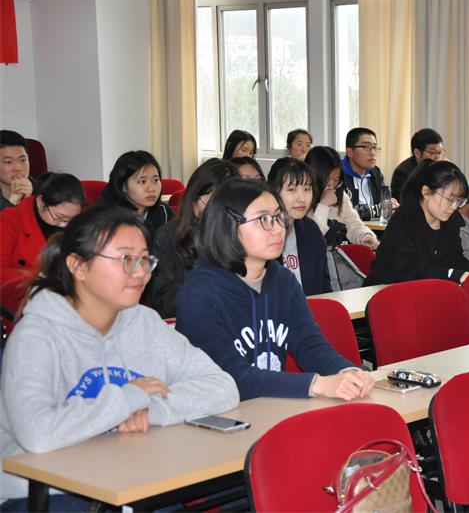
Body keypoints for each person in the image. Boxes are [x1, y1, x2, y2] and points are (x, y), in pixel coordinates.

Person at [0, 205, 239, 509]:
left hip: (130, 477)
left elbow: (222, 386)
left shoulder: (144, 322)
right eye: (126, 259)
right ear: (78, 265)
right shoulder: (36, 335)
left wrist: (150, 410)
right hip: (46, 493)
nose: (140, 272)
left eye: (144, 260)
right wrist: (128, 398)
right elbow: (38, 434)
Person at [176, 177, 373, 400]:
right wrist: (316, 384)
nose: (278, 229)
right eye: (263, 219)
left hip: (269, 407)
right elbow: (230, 376)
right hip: (214, 412)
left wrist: (347, 371)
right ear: (228, 225)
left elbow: (309, 343)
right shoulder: (199, 295)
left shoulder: (282, 280)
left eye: (279, 217)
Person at [363, 160, 469, 286]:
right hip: (385, 290)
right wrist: (453, 274)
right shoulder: (405, 219)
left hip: (428, 290)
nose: (454, 207)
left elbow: (455, 259)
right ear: (426, 192)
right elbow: (406, 271)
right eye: (450, 199)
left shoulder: (451, 221)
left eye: (459, 201)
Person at [149, 159, 239, 318]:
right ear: (194, 197)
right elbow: (164, 302)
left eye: (224, 205)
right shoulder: (167, 236)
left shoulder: (240, 236)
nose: (215, 211)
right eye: (210, 202)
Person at [1, 173, 85, 319]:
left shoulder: (79, 222)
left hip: (71, 301)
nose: (65, 225)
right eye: (59, 218)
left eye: (71, 219)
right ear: (40, 203)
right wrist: (42, 279)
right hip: (23, 306)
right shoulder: (9, 221)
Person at [267, 158, 331, 295]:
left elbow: (324, 288)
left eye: (307, 189)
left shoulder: (310, 229)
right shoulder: (262, 233)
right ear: (273, 191)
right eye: (292, 189)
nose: (302, 199)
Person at [305, 146, 379, 249]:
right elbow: (312, 240)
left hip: (335, 254)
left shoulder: (340, 195)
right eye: (327, 179)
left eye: (336, 180)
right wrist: (323, 205)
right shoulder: (301, 199)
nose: (332, 185)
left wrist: (364, 236)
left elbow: (353, 224)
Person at [97, 151, 174, 239]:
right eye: (142, 181)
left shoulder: (163, 211)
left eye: (155, 180)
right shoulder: (105, 217)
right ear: (123, 186)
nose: (151, 189)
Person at [341, 127, 396, 220]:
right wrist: (377, 210)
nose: (373, 153)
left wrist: (393, 206)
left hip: (373, 227)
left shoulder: (375, 173)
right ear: (350, 152)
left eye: (374, 147)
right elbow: (342, 212)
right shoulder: (338, 175)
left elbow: (385, 204)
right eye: (366, 147)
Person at [390, 128, 445, 203]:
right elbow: (408, 202)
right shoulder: (402, 173)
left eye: (440, 152)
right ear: (417, 153)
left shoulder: (441, 169)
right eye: (433, 152)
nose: (438, 157)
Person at [0, 130, 34, 211]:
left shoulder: (45, 192)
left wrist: (30, 201)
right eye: (8, 162)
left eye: (22, 160)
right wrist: (12, 201)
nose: (18, 168)